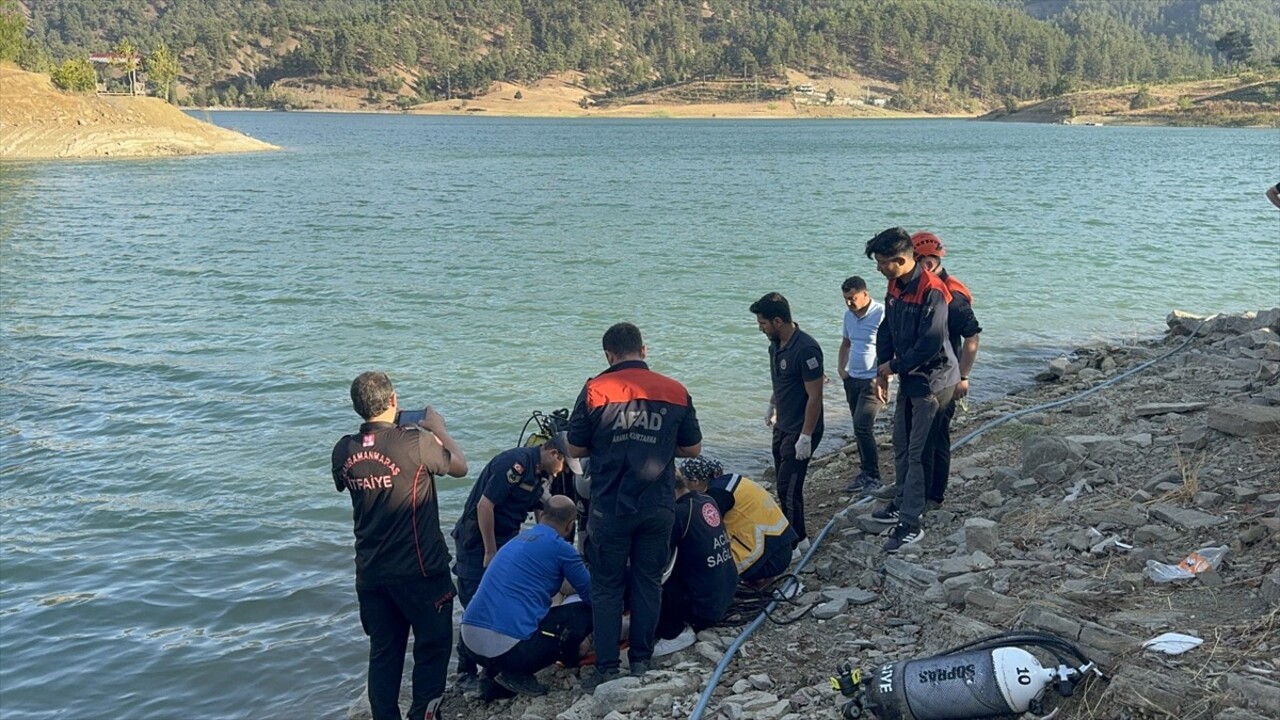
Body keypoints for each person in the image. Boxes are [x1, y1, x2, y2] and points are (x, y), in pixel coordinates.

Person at [566, 322, 702, 690]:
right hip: (658, 504)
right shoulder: (675, 391)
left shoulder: (595, 389)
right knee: (648, 581)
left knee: (607, 586)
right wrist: (656, 444)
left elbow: (576, 449)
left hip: (610, 506)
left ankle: (607, 668)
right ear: (644, 350)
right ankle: (641, 660)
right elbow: (692, 449)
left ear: (609, 355)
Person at [331, 371, 469, 720]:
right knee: (433, 647)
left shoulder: (343, 450)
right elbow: (460, 467)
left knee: (384, 652)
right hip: (421, 569)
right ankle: (424, 714)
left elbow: (350, 480)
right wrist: (438, 429)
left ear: (357, 408)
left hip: (372, 573)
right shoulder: (414, 441)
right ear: (393, 401)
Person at [450, 432, 583, 689]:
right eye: (564, 463)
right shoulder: (515, 464)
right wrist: (490, 551)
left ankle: (492, 669)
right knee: (477, 597)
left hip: (506, 538)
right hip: (478, 541)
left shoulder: (541, 474)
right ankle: (465, 672)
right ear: (554, 453)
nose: (563, 469)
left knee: (501, 600)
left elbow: (540, 509)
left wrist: (545, 543)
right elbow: (484, 507)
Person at [863, 228, 959, 553]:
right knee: (901, 444)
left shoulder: (933, 291)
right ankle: (902, 500)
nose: (878, 269)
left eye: (882, 262)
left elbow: (930, 344)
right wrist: (882, 368)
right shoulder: (895, 284)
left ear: (901, 260)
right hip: (909, 377)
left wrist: (894, 367)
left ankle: (911, 522)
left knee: (919, 451)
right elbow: (888, 326)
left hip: (935, 382)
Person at [459, 496, 593, 698]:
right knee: (584, 612)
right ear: (570, 525)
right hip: (508, 652)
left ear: (543, 516)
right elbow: (592, 595)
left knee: (513, 613)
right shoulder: (562, 549)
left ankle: (490, 676)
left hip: (470, 644)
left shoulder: (517, 541)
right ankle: (525, 671)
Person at [911, 232, 982, 511]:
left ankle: (934, 495)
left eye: (922, 261)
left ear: (929, 261)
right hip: (925, 375)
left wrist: (964, 377)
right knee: (923, 438)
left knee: (936, 437)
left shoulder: (952, 294)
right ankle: (920, 491)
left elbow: (972, 337)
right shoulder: (924, 287)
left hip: (946, 376)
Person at [751, 292, 824, 550]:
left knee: (788, 487)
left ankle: (795, 543)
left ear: (778, 321)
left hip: (802, 427)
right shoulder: (775, 345)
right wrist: (772, 404)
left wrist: (806, 436)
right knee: (784, 487)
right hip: (783, 425)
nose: (760, 328)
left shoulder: (806, 349)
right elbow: (781, 382)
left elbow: (815, 397)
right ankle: (800, 538)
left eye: (763, 323)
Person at [654, 465, 738, 656]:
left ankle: (674, 633)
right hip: (726, 592)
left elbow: (657, 563)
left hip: (703, 608)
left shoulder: (677, 514)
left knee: (646, 577)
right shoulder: (706, 500)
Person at [677, 456, 796, 587]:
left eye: (683, 483)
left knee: (701, 565)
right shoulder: (731, 481)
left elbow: (701, 531)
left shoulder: (716, 495)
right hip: (782, 545)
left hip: (769, 557)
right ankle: (758, 578)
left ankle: (758, 578)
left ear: (695, 482)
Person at [837, 276, 886, 495]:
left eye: (853, 298)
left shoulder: (881, 313)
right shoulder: (848, 316)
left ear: (865, 293)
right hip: (852, 379)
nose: (849, 302)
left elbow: (890, 346)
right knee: (858, 429)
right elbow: (846, 344)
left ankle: (874, 476)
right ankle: (865, 472)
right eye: (846, 298)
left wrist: (885, 377)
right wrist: (841, 369)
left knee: (863, 427)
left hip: (873, 380)